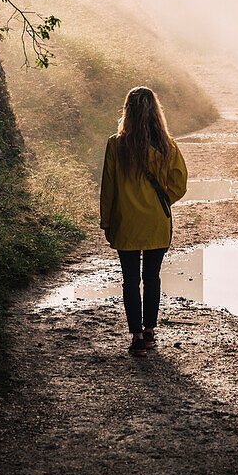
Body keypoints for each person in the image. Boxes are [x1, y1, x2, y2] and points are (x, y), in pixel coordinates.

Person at [100, 86, 188, 357]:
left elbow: (109, 187)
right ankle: (150, 332)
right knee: (152, 278)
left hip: (126, 223)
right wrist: (160, 202)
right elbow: (180, 183)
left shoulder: (116, 144)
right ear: (155, 112)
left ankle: (136, 338)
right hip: (155, 223)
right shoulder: (166, 145)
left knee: (130, 281)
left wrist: (107, 221)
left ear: (128, 111)